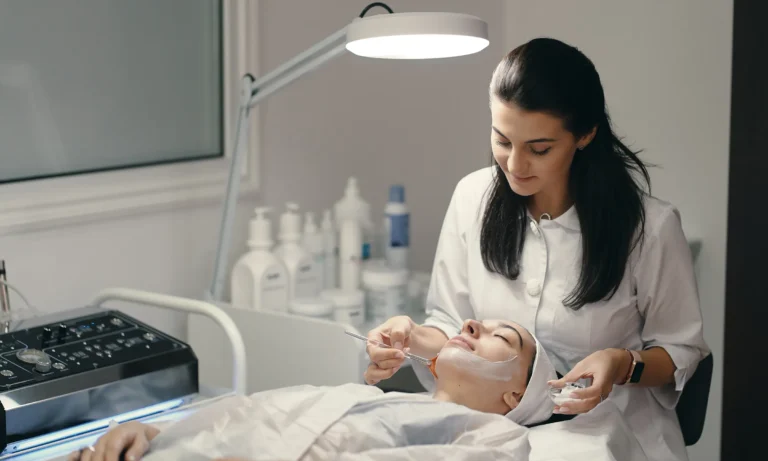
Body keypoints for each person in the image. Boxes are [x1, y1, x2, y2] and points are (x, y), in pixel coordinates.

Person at [365, 37, 709, 461]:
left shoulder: (649, 228)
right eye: (502, 140)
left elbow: (681, 351)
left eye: (539, 149)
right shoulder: (472, 198)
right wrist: (411, 337)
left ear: (585, 135)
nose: (514, 166)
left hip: (612, 440)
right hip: (492, 435)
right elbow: (451, 324)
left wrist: (622, 364)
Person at [68, 319, 556, 461]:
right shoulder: (363, 398)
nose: (473, 323)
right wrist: (148, 431)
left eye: (502, 337)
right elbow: (245, 415)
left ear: (515, 398)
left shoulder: (499, 439)